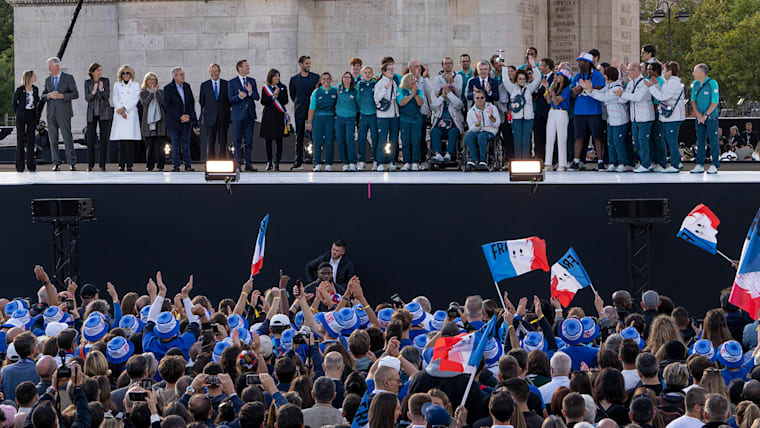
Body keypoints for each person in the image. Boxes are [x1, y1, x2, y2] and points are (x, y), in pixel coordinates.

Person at [581, 65, 630, 172]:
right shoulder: (608, 87)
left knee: (619, 142)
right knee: (610, 142)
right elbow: (599, 93)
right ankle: (612, 162)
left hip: (620, 120)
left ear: (608, 76)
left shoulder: (618, 88)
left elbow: (604, 98)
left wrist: (591, 90)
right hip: (611, 120)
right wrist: (588, 89)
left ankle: (623, 163)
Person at [645, 61, 685, 173]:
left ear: (670, 72)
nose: (663, 73)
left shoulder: (673, 83)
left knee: (671, 141)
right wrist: (654, 85)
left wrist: (650, 87)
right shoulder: (669, 82)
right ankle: (676, 162)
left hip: (674, 117)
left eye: (665, 71)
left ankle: (675, 165)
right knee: (670, 140)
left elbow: (662, 97)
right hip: (672, 117)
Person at [569, 52, 605, 171]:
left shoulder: (597, 75)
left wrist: (589, 87)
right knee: (578, 137)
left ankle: (600, 161)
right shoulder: (577, 76)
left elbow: (601, 88)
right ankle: (576, 161)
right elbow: (573, 94)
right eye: (579, 62)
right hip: (579, 111)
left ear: (589, 64)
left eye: (583, 62)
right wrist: (577, 90)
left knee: (597, 137)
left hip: (594, 111)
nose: (580, 64)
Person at [616, 62, 655, 173]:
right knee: (637, 142)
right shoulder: (631, 83)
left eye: (629, 71)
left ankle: (646, 164)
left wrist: (622, 94)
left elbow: (638, 97)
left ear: (635, 71)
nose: (627, 73)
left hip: (644, 117)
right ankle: (642, 161)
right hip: (634, 118)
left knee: (643, 141)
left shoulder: (644, 82)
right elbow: (624, 99)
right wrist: (621, 95)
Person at [42, 57, 79, 171]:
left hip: (64, 113)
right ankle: (56, 163)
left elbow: (75, 94)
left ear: (56, 66)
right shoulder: (48, 80)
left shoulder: (68, 78)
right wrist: (49, 95)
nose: (49, 68)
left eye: (50, 66)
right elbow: (43, 96)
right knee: (53, 139)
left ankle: (72, 163)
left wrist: (62, 96)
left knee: (67, 138)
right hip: (51, 113)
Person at [502, 56, 540, 159]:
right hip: (516, 118)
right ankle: (518, 161)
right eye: (520, 79)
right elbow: (505, 80)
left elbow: (538, 79)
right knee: (517, 140)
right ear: (516, 79)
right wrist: (504, 67)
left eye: (523, 79)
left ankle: (525, 161)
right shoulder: (512, 88)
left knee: (526, 140)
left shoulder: (529, 88)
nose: (522, 80)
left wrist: (533, 66)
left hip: (528, 118)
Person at [164, 66, 199, 172]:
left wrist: (188, 116)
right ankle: (176, 165)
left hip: (186, 121)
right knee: (175, 144)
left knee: (186, 144)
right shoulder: (168, 89)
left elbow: (191, 103)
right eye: (181, 75)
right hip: (174, 122)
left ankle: (188, 165)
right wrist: (179, 116)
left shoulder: (187, 87)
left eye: (183, 74)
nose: (183, 76)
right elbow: (168, 106)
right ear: (175, 77)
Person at [430, 60, 464, 164]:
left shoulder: (455, 100)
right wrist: (442, 97)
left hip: (452, 125)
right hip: (440, 126)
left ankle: (449, 154)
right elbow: (433, 106)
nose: (448, 65)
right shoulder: (439, 100)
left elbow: (459, 104)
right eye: (446, 63)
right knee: (434, 132)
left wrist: (449, 94)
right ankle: (438, 154)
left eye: (450, 63)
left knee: (453, 132)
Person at [289, 56, 320, 170]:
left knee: (315, 136)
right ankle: (298, 162)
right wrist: (300, 104)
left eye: (309, 63)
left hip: (313, 110)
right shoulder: (294, 79)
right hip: (300, 110)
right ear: (300, 64)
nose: (308, 65)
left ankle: (316, 162)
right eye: (306, 63)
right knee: (299, 137)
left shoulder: (316, 78)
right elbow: (293, 95)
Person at [229, 59, 260, 172]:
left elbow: (257, 97)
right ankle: (237, 163)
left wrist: (251, 92)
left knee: (249, 141)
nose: (248, 67)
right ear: (239, 68)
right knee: (237, 141)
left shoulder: (252, 81)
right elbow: (230, 99)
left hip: (249, 115)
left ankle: (248, 163)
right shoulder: (232, 82)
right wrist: (240, 97)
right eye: (246, 66)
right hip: (237, 116)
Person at [109, 64, 141, 172]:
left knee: (130, 142)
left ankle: (130, 164)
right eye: (123, 73)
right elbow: (115, 98)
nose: (126, 75)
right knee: (121, 142)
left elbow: (135, 99)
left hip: (130, 114)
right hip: (120, 115)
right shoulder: (117, 85)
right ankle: (121, 164)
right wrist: (120, 109)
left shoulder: (136, 85)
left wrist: (125, 108)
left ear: (131, 74)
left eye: (128, 73)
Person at [690, 64, 721, 174]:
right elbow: (693, 100)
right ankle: (699, 164)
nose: (693, 74)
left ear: (703, 73)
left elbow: (715, 101)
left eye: (695, 71)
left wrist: (706, 115)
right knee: (700, 140)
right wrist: (698, 114)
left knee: (713, 140)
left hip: (711, 117)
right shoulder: (695, 84)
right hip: (699, 118)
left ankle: (714, 164)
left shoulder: (712, 83)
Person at [83, 63, 112, 172]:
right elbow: (87, 98)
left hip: (104, 112)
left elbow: (106, 96)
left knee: (104, 139)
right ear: (92, 72)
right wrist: (94, 91)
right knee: (90, 139)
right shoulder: (87, 82)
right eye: (98, 70)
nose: (100, 72)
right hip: (92, 113)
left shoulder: (105, 81)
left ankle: (102, 164)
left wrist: (102, 89)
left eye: (100, 70)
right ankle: (90, 165)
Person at [542, 68, 572, 171]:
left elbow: (557, 101)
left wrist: (553, 91)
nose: (558, 78)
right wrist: (548, 89)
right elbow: (549, 101)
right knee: (549, 138)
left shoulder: (567, 89)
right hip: (552, 112)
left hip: (561, 112)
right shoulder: (555, 87)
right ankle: (548, 163)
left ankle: (562, 163)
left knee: (561, 138)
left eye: (560, 76)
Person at [198, 63, 230, 161]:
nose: (214, 73)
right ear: (209, 72)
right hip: (209, 118)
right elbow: (202, 101)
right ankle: (210, 163)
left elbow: (229, 100)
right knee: (210, 141)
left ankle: (222, 163)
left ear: (219, 72)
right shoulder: (204, 85)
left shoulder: (226, 84)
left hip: (223, 117)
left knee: (222, 142)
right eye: (212, 71)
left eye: (216, 71)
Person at [260, 68, 289, 171]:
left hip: (279, 117)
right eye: (275, 76)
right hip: (268, 117)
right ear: (271, 77)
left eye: (278, 75)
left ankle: (277, 162)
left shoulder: (283, 87)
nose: (277, 78)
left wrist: (278, 95)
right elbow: (263, 101)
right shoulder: (265, 88)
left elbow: (285, 101)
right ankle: (269, 161)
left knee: (279, 140)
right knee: (268, 140)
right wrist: (273, 96)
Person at [307, 72, 337, 172]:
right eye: (323, 79)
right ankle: (317, 163)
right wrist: (309, 122)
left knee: (329, 141)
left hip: (330, 118)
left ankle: (328, 164)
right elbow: (312, 107)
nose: (326, 81)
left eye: (328, 79)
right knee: (317, 142)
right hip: (318, 119)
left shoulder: (335, 91)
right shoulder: (316, 92)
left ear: (330, 80)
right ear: (321, 80)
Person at [464, 89, 500, 171]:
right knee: (468, 136)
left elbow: (497, 123)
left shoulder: (492, 108)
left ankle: (483, 160)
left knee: (481, 136)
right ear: (474, 99)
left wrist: (491, 117)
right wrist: (478, 124)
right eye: (477, 98)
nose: (480, 100)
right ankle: (474, 159)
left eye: (482, 97)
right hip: (477, 130)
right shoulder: (471, 111)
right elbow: (471, 127)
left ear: (485, 98)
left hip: (490, 130)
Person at [12, 70, 40, 172]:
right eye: (34, 75)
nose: (35, 77)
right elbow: (14, 103)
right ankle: (20, 166)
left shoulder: (36, 89)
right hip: (21, 116)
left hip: (31, 115)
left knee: (31, 140)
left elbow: (37, 102)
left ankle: (31, 165)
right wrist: (18, 113)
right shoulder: (20, 89)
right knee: (20, 140)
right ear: (29, 77)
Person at [374, 62, 400, 172]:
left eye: (392, 69)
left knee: (394, 139)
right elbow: (376, 99)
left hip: (394, 115)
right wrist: (385, 88)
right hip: (383, 116)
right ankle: (380, 162)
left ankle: (392, 162)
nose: (392, 71)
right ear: (384, 72)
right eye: (389, 69)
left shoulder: (394, 82)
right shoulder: (380, 83)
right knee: (382, 139)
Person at [139, 72, 167, 172]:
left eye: (154, 79)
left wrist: (157, 93)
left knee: (160, 146)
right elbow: (145, 104)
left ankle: (160, 166)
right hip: (148, 123)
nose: (152, 81)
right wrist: (151, 94)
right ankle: (149, 166)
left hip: (160, 122)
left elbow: (163, 103)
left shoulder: (161, 92)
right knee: (149, 146)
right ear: (146, 81)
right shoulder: (143, 93)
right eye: (150, 79)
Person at [397, 73, 425, 171]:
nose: (413, 81)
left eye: (414, 79)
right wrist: (411, 94)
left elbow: (420, 103)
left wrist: (415, 93)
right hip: (405, 119)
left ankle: (415, 162)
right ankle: (406, 162)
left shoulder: (419, 91)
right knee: (405, 141)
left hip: (416, 120)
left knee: (416, 141)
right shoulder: (401, 91)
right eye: (411, 79)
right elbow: (401, 102)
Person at [335, 72, 359, 171]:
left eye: (348, 77)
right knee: (341, 141)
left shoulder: (355, 91)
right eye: (344, 77)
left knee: (350, 140)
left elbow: (358, 104)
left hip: (350, 119)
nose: (346, 79)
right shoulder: (339, 89)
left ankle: (352, 162)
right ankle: (345, 162)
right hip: (339, 119)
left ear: (351, 79)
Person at [356, 66, 378, 170]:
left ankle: (376, 160)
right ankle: (362, 161)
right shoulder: (360, 84)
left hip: (374, 115)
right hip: (363, 115)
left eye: (369, 72)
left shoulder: (375, 84)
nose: (367, 74)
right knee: (361, 139)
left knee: (375, 138)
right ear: (362, 74)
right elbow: (357, 99)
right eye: (365, 72)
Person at [533, 58, 555, 163]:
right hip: (539, 112)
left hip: (549, 111)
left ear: (547, 67)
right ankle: (539, 158)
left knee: (550, 137)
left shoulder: (554, 78)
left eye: (541, 65)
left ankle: (551, 159)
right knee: (538, 136)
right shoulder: (539, 78)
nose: (539, 67)